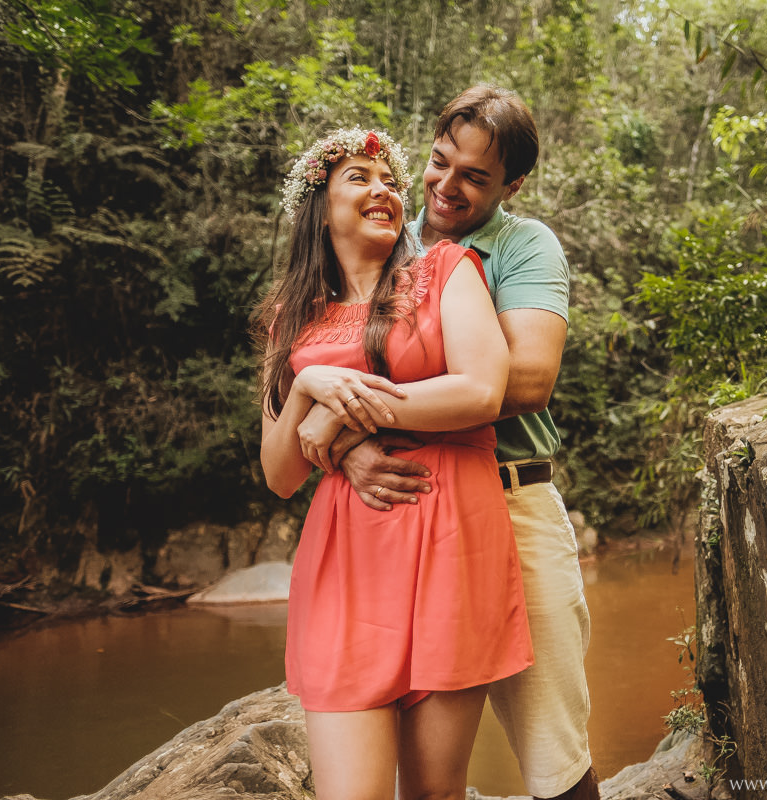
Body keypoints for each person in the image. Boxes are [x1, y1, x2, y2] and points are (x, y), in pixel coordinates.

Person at [297, 86, 597, 799]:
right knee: (415, 760)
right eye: (438, 163)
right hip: (399, 516)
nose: (446, 187)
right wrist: (340, 441)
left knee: (553, 746)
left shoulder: (523, 245)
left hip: (509, 498)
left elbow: (524, 379)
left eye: (474, 177)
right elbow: (321, 364)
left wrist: (348, 418)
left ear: (512, 185)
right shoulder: (384, 240)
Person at [257, 125, 534, 800]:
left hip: (449, 538)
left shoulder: (445, 271)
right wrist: (311, 390)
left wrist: (347, 414)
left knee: (436, 793)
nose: (383, 190)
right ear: (319, 206)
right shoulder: (289, 318)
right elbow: (280, 473)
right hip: (347, 559)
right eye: (359, 177)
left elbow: (480, 389)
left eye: (390, 181)